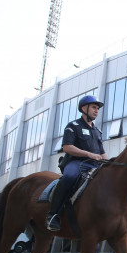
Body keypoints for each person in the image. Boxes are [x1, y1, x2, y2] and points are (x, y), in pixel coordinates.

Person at [46, 95, 109, 231]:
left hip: (95, 165)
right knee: (68, 177)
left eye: (97, 108)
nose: (96, 111)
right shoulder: (73, 126)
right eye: (94, 107)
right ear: (83, 108)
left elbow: (102, 151)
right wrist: (89, 154)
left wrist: (110, 164)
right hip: (77, 163)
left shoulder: (97, 131)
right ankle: (53, 215)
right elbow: (67, 147)